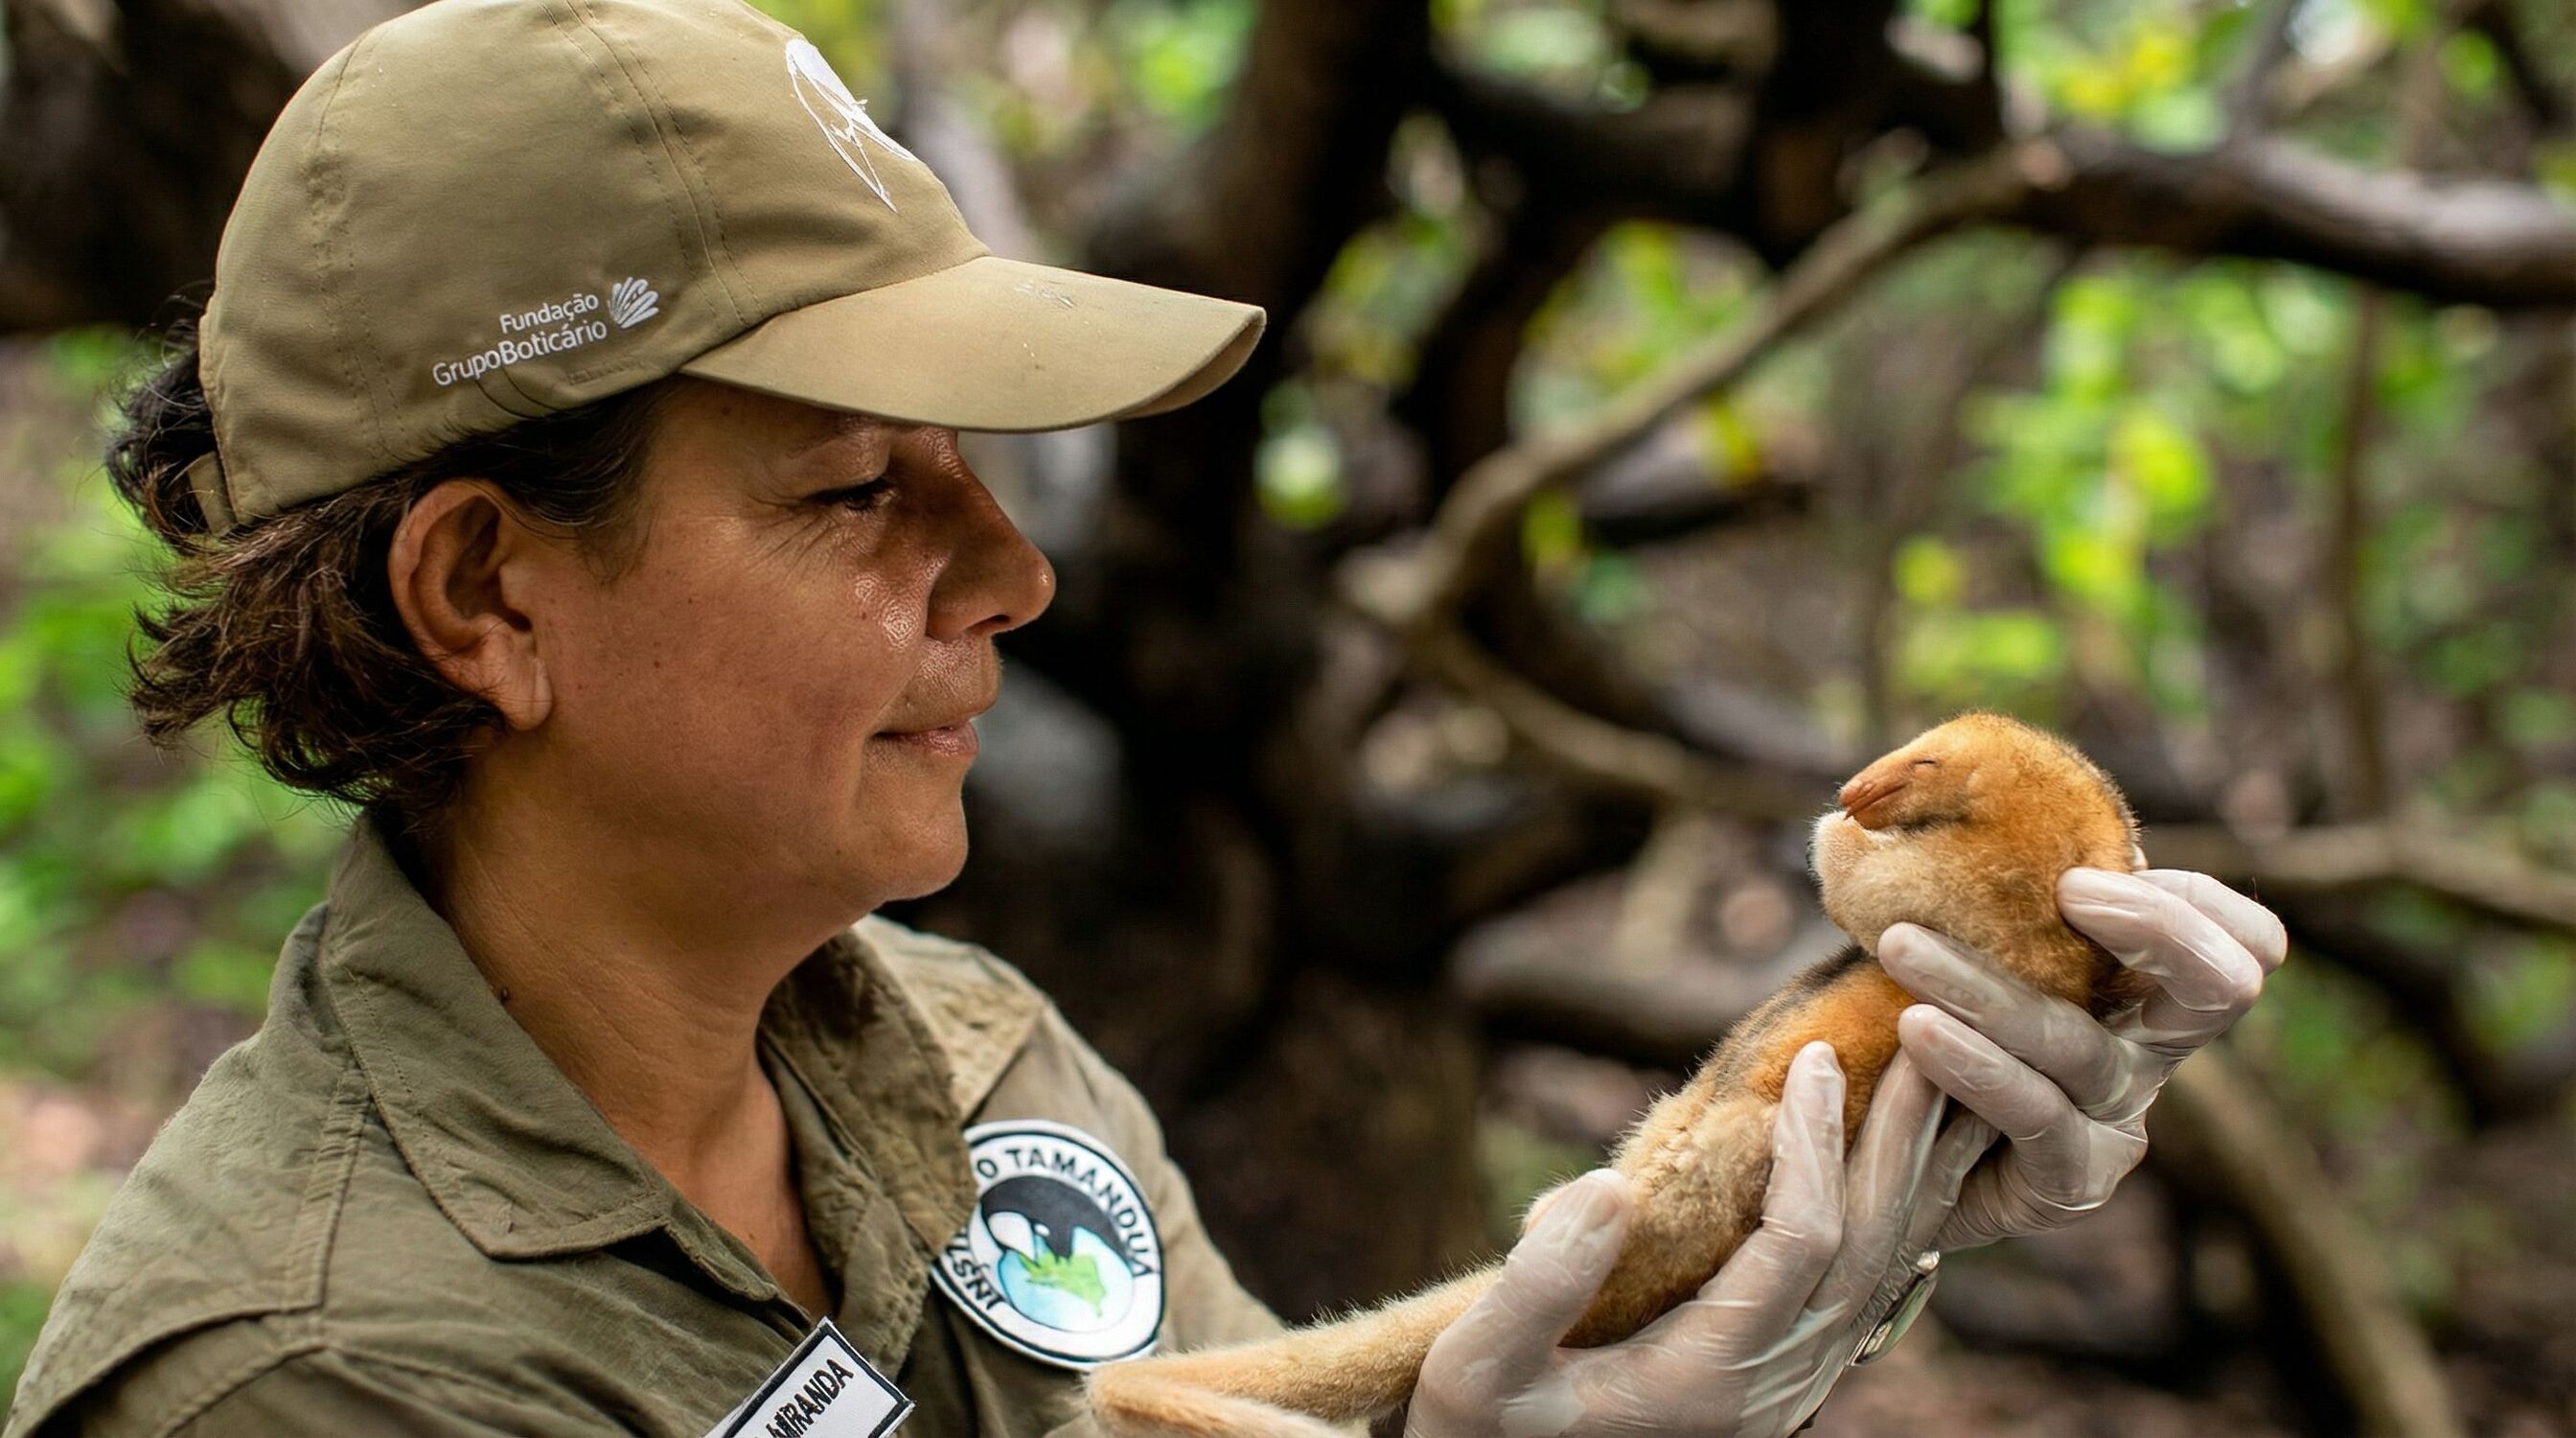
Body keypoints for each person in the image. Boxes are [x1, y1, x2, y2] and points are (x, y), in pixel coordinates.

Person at [1, 0, 2286, 1434]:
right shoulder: (315, 1374)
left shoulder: (977, 1060)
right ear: (491, 592)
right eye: (854, 489)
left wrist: (1792, 1195)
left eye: (979, 475)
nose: (1013, 577)